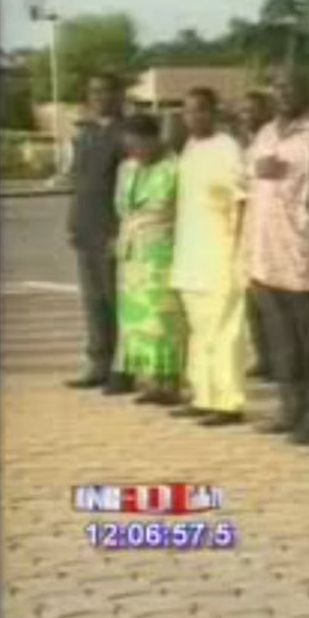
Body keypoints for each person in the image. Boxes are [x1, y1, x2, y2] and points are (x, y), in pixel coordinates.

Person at [243, 70, 309, 444]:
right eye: (278, 88)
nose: (283, 94)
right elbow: (243, 178)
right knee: (281, 343)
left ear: (307, 91)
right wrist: (254, 169)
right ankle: (289, 409)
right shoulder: (264, 134)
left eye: (291, 87)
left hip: (301, 257)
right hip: (264, 255)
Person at [170, 87, 249, 427]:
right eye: (187, 111)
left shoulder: (227, 147)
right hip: (190, 253)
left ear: (214, 112)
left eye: (201, 110)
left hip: (221, 252)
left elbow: (242, 198)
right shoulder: (189, 147)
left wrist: (240, 248)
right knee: (200, 331)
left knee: (225, 329)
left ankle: (228, 402)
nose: (193, 117)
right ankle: (202, 396)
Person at [112, 114, 186, 406]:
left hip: (162, 252)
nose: (135, 153)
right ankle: (151, 379)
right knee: (136, 321)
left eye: (139, 146)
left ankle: (171, 381)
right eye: (129, 147)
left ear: (154, 139)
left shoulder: (174, 168)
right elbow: (121, 208)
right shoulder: (126, 169)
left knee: (164, 320)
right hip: (132, 255)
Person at [65, 73, 128, 393]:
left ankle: (123, 367)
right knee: (93, 301)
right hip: (86, 227)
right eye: (93, 92)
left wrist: (122, 230)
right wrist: (73, 223)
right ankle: (98, 362)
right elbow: (80, 183)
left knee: (118, 301)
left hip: (113, 230)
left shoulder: (128, 134)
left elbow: (132, 187)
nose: (99, 97)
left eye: (105, 90)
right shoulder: (86, 134)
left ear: (120, 95)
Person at [236, 91, 275, 381]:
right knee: (251, 299)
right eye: (244, 111)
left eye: (254, 110)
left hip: (270, 227)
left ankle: (277, 358)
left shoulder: (272, 141)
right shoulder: (242, 144)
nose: (247, 116)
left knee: (271, 300)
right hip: (245, 225)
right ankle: (263, 356)